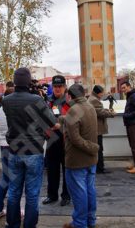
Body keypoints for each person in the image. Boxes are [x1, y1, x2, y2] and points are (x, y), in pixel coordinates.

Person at [2, 67, 60, 228]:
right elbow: (52, 122)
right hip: (34, 151)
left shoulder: (6, 101)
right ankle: (29, 225)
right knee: (32, 194)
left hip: (14, 150)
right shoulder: (36, 100)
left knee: (14, 191)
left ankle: (12, 224)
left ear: (14, 81)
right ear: (29, 82)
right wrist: (40, 98)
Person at [63, 84, 99, 228]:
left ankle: (79, 224)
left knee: (79, 194)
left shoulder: (73, 110)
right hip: (91, 160)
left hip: (77, 161)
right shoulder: (90, 107)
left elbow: (75, 139)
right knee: (90, 190)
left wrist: (92, 148)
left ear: (69, 96)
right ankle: (91, 221)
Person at [43, 75, 71, 206]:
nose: (57, 89)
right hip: (52, 141)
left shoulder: (70, 101)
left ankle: (66, 196)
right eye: (55, 86)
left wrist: (63, 125)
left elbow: (75, 120)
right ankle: (52, 195)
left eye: (60, 86)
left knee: (67, 171)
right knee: (52, 170)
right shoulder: (48, 101)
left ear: (65, 87)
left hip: (67, 141)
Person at [0, 90, 13, 219]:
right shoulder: (12, 110)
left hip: (3, 145)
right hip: (14, 146)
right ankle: (13, 211)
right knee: (16, 180)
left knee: (5, 179)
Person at [88, 85, 116, 174]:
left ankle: (98, 167)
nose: (103, 94)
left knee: (98, 148)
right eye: (102, 93)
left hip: (95, 129)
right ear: (98, 93)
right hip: (97, 129)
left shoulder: (92, 98)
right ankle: (99, 168)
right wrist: (111, 113)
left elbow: (100, 109)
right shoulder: (94, 100)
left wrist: (107, 110)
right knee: (99, 149)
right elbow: (99, 112)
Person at [120, 82, 135, 174]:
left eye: (124, 87)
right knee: (133, 145)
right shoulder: (130, 96)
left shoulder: (134, 96)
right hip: (130, 123)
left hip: (133, 124)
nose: (123, 89)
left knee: (134, 145)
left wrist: (128, 116)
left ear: (129, 87)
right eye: (122, 88)